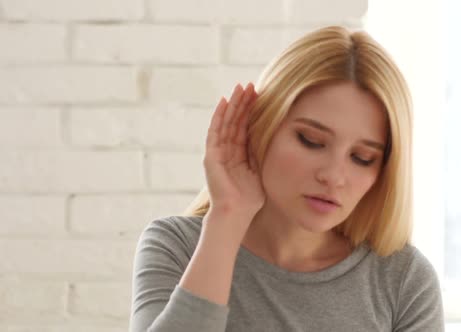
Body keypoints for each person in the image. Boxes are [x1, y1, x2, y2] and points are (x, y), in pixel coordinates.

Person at [129, 25, 444, 331]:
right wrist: (227, 217)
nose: (333, 176)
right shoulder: (177, 246)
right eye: (310, 140)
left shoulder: (403, 280)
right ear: (263, 128)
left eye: (362, 158)